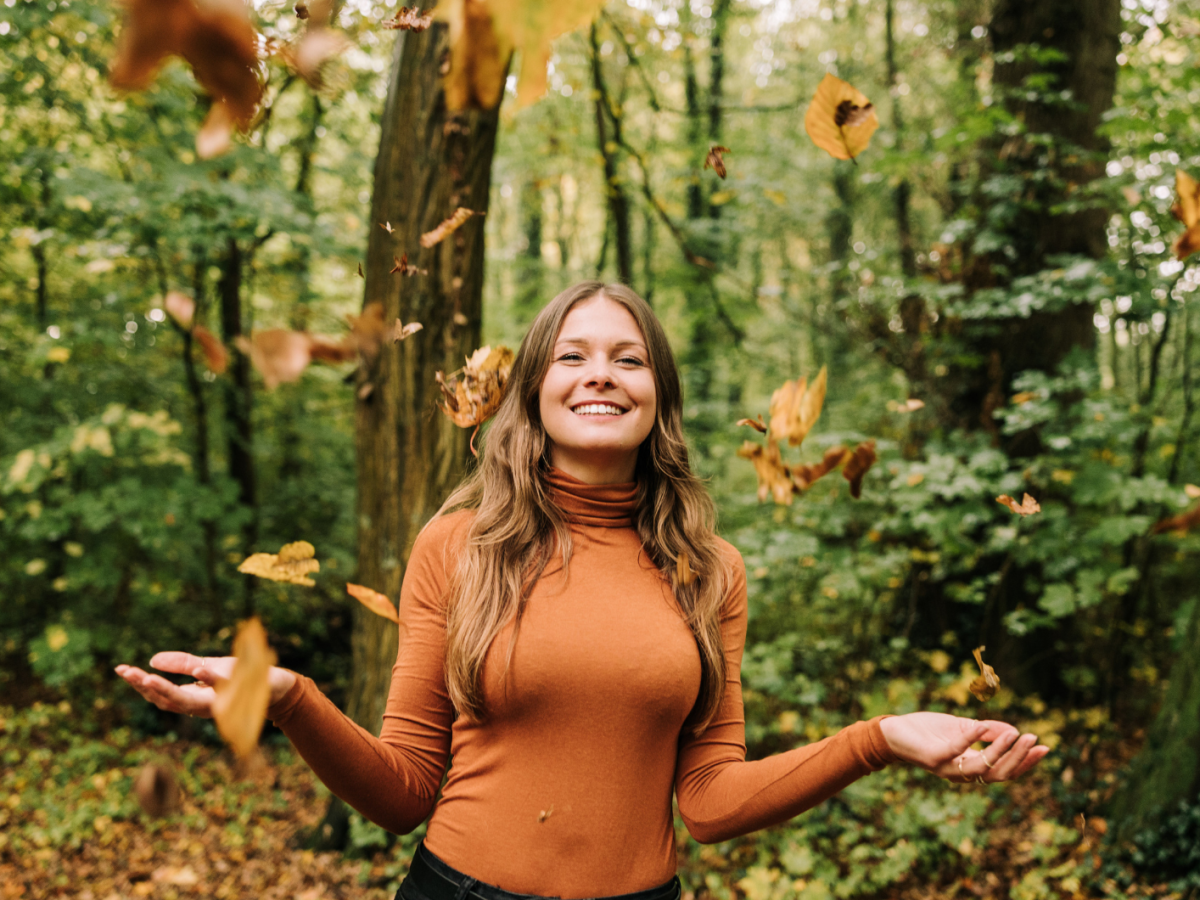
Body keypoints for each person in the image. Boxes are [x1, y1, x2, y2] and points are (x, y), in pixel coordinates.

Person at [117, 282, 1049, 900]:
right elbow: (405, 791)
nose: (600, 371)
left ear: (656, 398)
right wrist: (292, 701)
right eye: (571, 355)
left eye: (628, 357)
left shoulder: (711, 569)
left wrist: (878, 740)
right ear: (533, 392)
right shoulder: (457, 544)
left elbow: (713, 801)